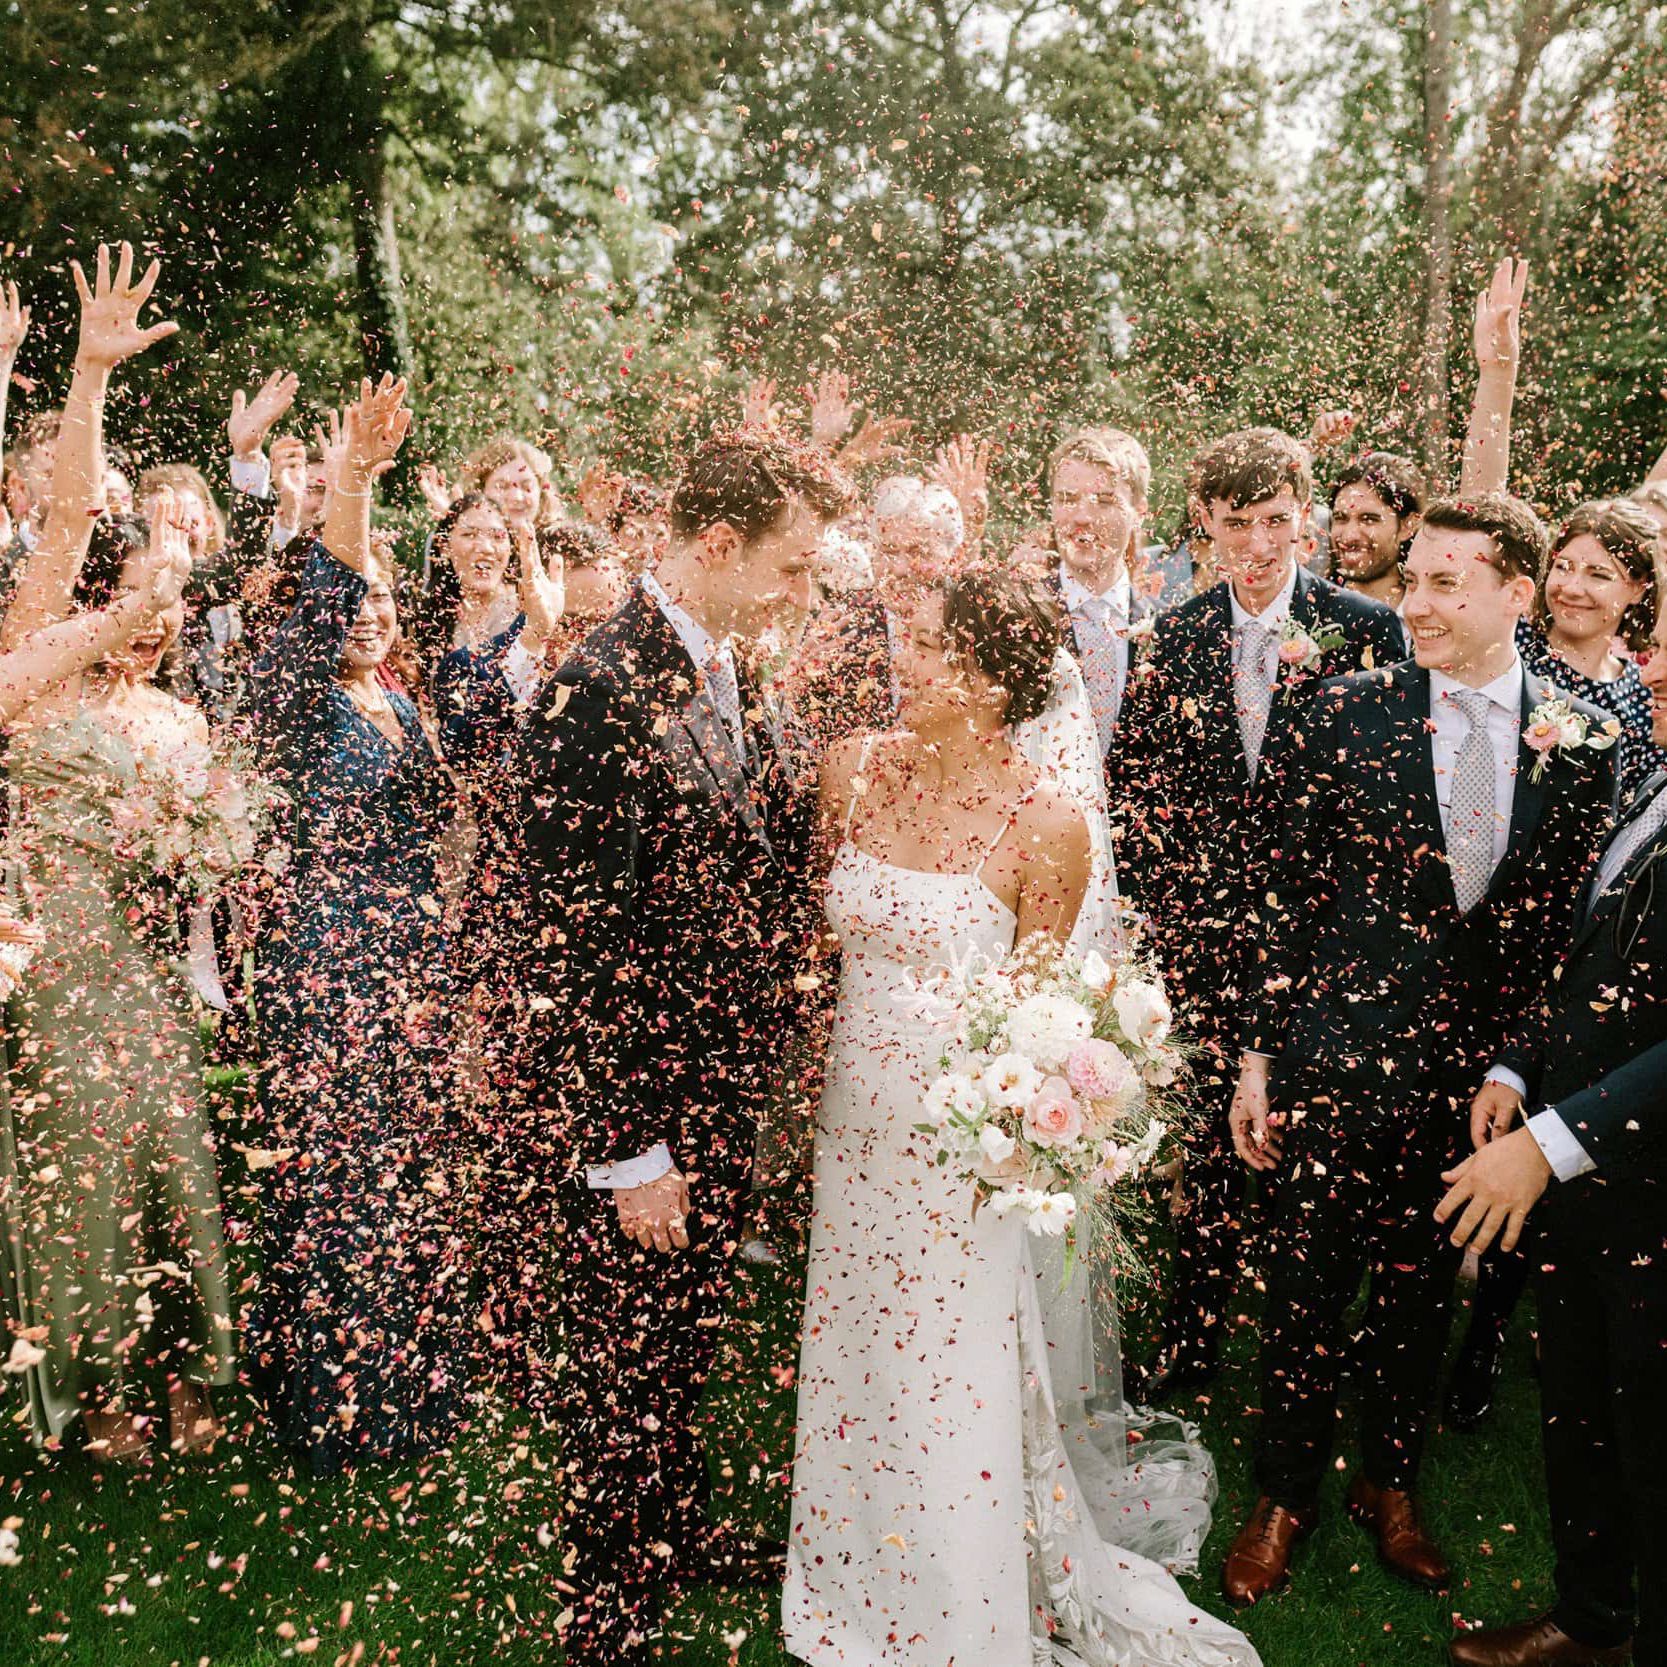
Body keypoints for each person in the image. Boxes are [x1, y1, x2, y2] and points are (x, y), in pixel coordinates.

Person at [782, 567, 1258, 1667]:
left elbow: (1036, 1010)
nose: (904, 658)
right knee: (854, 1349)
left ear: (994, 681)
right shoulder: (849, 771)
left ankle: (958, 1607)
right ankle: (845, 1580)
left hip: (962, 1152)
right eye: (908, 636)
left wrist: (1022, 1126)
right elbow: (814, 955)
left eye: (933, 647)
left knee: (954, 1367)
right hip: (852, 1126)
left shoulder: (1048, 826)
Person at [1220, 493, 1617, 1604]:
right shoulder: (1338, 711)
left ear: (1513, 595)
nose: (1416, 601)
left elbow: (1565, 941)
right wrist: (1255, 1056)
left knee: (1420, 1285)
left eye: (1447, 581)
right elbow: (1279, 896)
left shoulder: (1584, 743)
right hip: (1332, 1059)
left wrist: (1512, 1067)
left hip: (1476, 1091)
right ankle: (1283, 1489)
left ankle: (1389, 1480)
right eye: (1413, 577)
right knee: (1304, 1283)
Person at [492, 431, 849, 1665]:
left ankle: (673, 1525)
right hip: (638, 1099)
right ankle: (610, 1606)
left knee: (681, 1336)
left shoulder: (727, 662)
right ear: (716, 547)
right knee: (627, 1358)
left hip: (718, 1081)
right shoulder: (596, 685)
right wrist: (628, 1150)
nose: (807, 592)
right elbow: (562, 941)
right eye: (794, 567)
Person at [0, 243, 236, 1462]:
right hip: (56, 968)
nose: (161, 621)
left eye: (175, 608)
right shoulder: (33, 685)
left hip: (147, 962)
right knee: (75, 1187)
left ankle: (191, 1371)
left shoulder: (183, 719)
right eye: (144, 599)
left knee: (173, 1165)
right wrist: (88, 376)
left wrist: (203, 843)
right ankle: (90, 1393)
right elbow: (66, 523)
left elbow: (213, 851)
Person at [1114, 426, 1403, 1400]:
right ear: (1205, 523)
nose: (1256, 544)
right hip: (1199, 944)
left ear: (1304, 515)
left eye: (1275, 520)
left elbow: (1384, 791)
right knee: (1198, 1145)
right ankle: (1188, 1339)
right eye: (1235, 524)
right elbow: (1135, 793)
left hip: (1318, 946)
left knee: (1298, 1158)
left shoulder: (1362, 627)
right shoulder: (1172, 637)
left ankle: (1298, 1358)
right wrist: (1171, 912)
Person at [1436, 598, 1667, 1667]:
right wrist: (1514, 1065)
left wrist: (1547, 1139)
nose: (1649, 663)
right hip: (1579, 1179)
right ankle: (1590, 1619)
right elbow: (1595, 963)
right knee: (1576, 1405)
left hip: (1648, 1184)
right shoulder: (1649, 777)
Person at [244, 377, 466, 1476]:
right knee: (339, 1175)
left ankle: (417, 1385)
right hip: (329, 953)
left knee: (410, 1167)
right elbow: (329, 580)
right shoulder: (291, 689)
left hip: (410, 953)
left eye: (383, 596)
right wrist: (359, 487)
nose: (369, 608)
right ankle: (338, 1407)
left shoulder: (405, 701)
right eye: (352, 595)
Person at [1443, 495, 1665, 1430]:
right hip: (1512, 960)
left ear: (1635, 595)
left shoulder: (1631, 701)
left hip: (1599, 973)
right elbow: (1476, 516)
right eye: (1562, 565)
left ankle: (1506, 1345)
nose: (1573, 585)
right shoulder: (1513, 661)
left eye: (1600, 573)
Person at [1038, 425, 1155, 761]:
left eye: (1104, 501)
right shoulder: (1016, 617)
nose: (1082, 516)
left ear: (1139, 511)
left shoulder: (1166, 627)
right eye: (1067, 499)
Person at [1328, 449, 1426, 615]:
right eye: (1340, 518)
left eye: (1368, 519)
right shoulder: (1308, 608)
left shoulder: (1428, 616)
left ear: (1408, 525)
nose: (1349, 536)